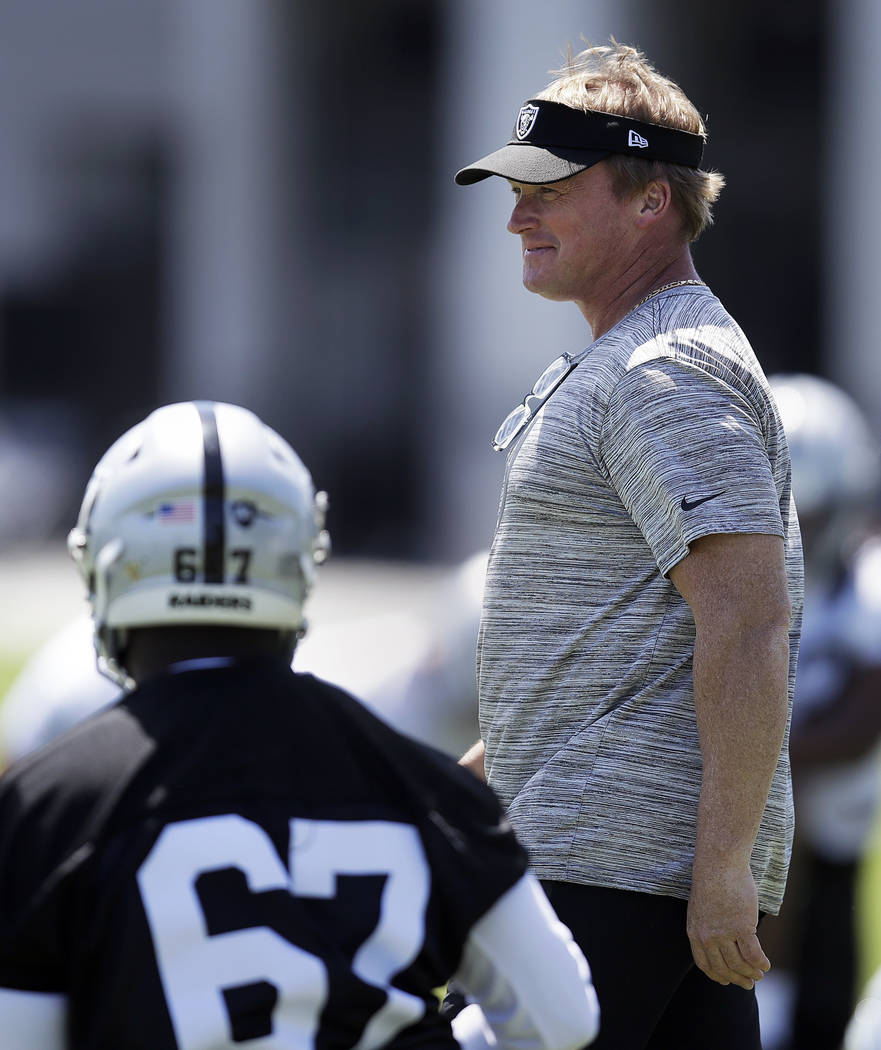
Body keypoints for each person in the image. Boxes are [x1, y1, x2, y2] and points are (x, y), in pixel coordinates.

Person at [0, 400, 600, 1050]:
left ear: (110, 565)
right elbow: (561, 1019)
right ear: (297, 561)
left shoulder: (50, 805)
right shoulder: (422, 787)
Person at [452, 39, 803, 1048]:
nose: (517, 215)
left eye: (549, 190)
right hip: (616, 859)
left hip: (615, 867)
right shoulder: (629, 355)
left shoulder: (666, 368)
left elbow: (745, 622)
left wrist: (723, 867)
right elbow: (621, 637)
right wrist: (475, 774)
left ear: (651, 200)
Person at [756, 374, 881, 1050]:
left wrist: (756, 754)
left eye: (808, 518)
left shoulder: (868, 587)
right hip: (731, 832)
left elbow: (859, 727)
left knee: (821, 1018)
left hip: (829, 838)